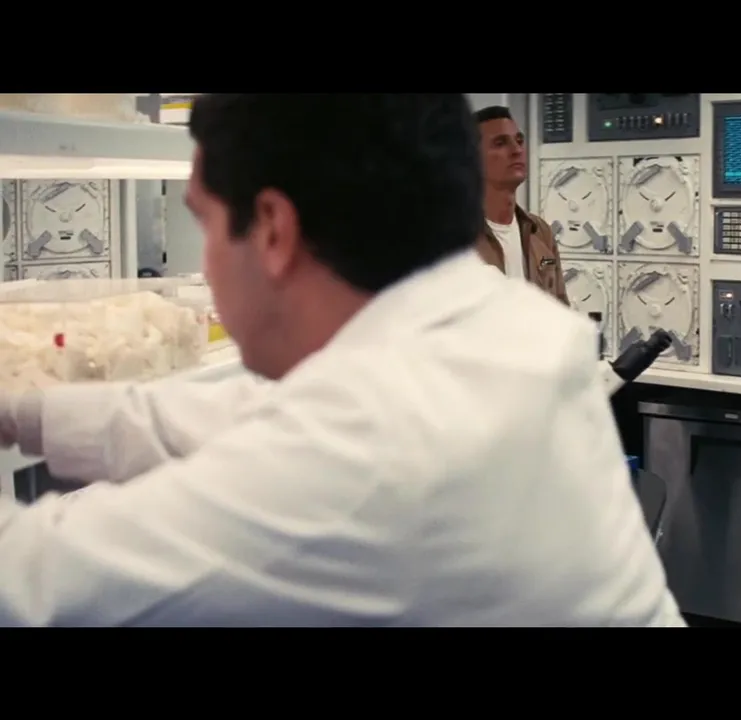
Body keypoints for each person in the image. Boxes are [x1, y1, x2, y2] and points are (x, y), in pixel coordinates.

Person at [0, 94, 684, 627]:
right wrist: (24, 412)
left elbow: (33, 579)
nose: (203, 268)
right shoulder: (493, 325)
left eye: (205, 225)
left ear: (273, 230)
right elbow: (231, 414)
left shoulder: (359, 456)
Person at [473, 105, 569, 305]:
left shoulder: (539, 231)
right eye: (500, 143)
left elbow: (560, 307)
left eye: (519, 141)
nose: (517, 150)